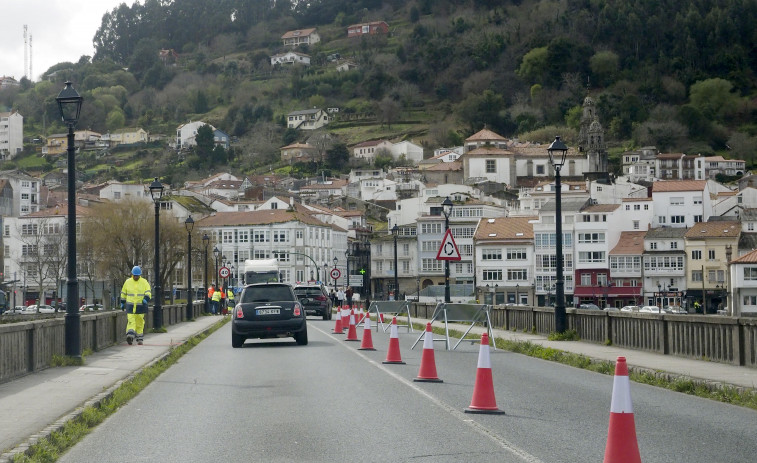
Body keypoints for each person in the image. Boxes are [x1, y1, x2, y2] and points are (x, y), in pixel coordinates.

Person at [120, 266, 152, 346]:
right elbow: (123, 293)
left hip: (140, 306)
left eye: (137, 275)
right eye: (135, 275)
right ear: (132, 274)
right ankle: (130, 335)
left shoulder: (144, 282)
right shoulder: (128, 282)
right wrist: (122, 302)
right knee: (131, 321)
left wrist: (146, 299)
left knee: (140, 322)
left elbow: (148, 292)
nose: (136, 277)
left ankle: (139, 338)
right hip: (130, 306)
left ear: (140, 275)